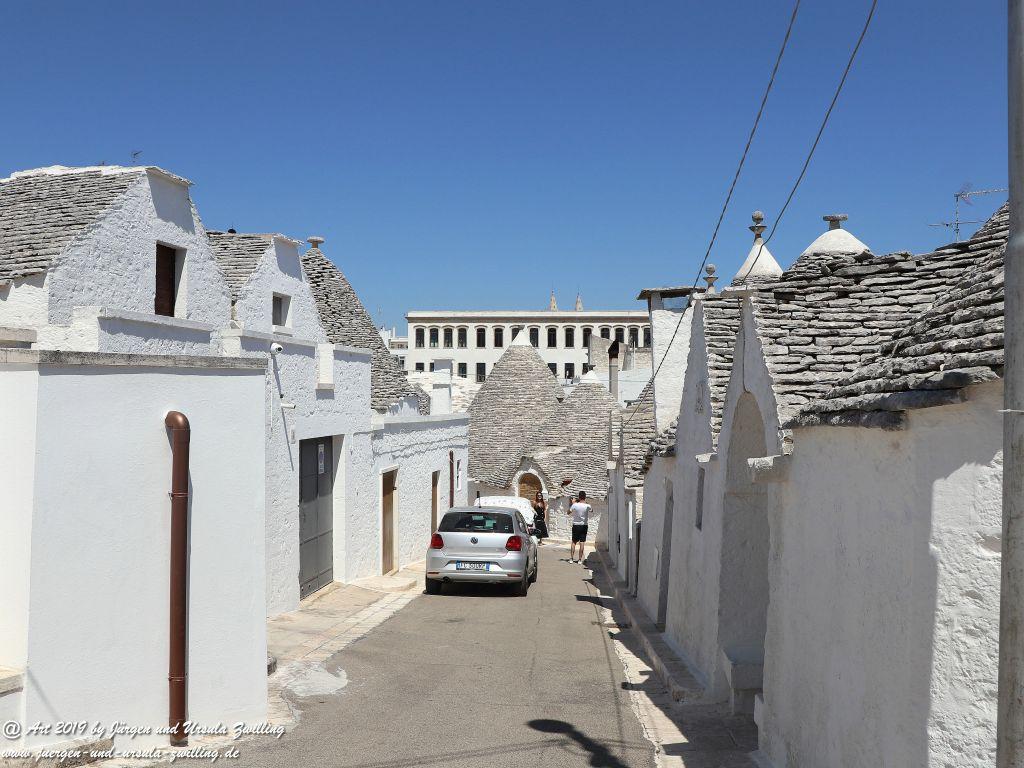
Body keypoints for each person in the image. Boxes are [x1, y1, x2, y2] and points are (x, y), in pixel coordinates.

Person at [567, 491, 592, 564]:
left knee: (574, 542)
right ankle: (580, 560)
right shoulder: (587, 505)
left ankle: (571, 559)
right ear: (585, 497)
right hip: (584, 525)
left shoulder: (575, 505)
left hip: (576, 525)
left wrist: (572, 503)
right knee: (582, 542)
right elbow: (591, 510)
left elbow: (568, 512)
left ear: (579, 497)